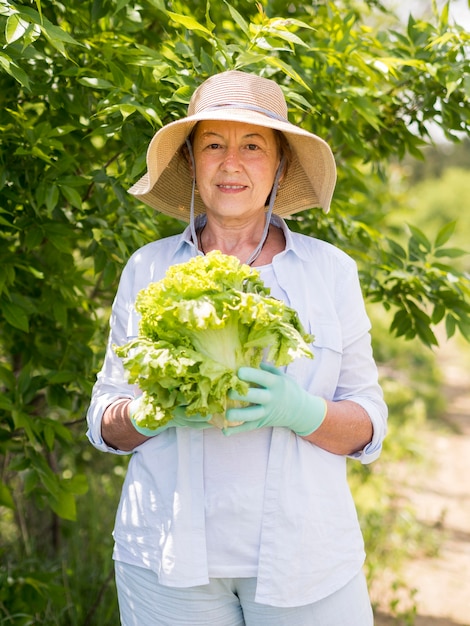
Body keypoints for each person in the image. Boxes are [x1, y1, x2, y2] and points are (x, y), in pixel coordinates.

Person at [86, 70, 388, 626]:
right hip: (165, 564)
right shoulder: (149, 268)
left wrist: (301, 412)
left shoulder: (330, 271)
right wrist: (151, 413)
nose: (232, 162)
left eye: (253, 145)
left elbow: (369, 425)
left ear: (279, 165)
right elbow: (104, 421)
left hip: (307, 563)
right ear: (191, 163)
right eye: (213, 145)